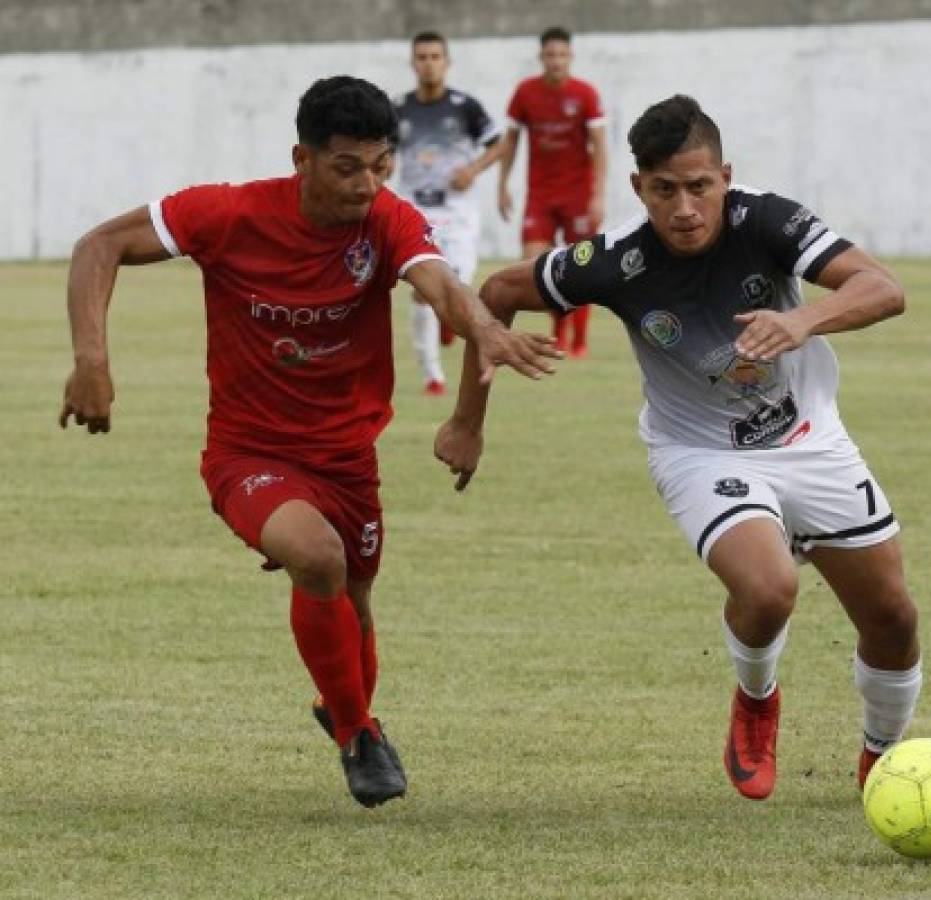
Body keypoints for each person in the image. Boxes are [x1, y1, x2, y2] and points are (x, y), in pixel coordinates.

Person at [59, 76, 558, 809]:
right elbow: (98, 244)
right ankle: (358, 732)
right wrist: (92, 361)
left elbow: (440, 284)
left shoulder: (387, 220)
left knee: (354, 604)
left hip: (346, 456)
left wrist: (485, 329)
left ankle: (347, 707)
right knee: (317, 557)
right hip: (247, 452)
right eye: (347, 167)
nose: (367, 185)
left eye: (380, 165)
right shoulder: (228, 212)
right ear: (303, 158)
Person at [437, 96, 922, 800]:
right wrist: (467, 422)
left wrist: (802, 321)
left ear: (725, 176)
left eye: (700, 186)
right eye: (665, 190)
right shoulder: (616, 261)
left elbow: (885, 288)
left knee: (893, 617)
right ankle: (757, 700)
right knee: (768, 589)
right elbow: (499, 290)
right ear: (639, 188)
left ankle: (884, 758)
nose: (686, 207)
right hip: (700, 454)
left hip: (809, 436)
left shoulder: (769, 219)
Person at [394, 31, 504, 396]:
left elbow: (499, 144)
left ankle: (446, 322)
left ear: (446, 62)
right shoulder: (398, 109)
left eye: (435, 56)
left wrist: (473, 170)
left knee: (460, 282)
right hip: (415, 206)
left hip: (456, 208)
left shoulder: (464, 106)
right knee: (423, 287)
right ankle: (433, 374)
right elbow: (378, 150)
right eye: (422, 57)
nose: (428, 63)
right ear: (413, 63)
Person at [498, 26, 606, 358]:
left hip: (577, 194)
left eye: (562, 54)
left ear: (570, 56)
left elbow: (600, 148)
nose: (556, 61)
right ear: (541, 57)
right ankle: (558, 331)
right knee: (533, 264)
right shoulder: (525, 93)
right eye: (550, 55)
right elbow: (511, 141)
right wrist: (502, 185)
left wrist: (598, 196)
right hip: (540, 196)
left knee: (581, 266)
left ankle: (580, 340)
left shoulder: (585, 94)